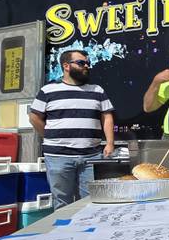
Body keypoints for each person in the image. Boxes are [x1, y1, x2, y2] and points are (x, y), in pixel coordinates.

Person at [29, 49, 115, 209]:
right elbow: (34, 117)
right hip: (58, 157)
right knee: (62, 202)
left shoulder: (97, 90)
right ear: (66, 66)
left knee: (92, 202)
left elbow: (107, 117)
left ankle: (89, 233)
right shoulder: (48, 91)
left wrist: (110, 143)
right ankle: (63, 233)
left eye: (87, 63)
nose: (86, 66)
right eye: (81, 63)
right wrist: (49, 136)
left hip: (92, 156)